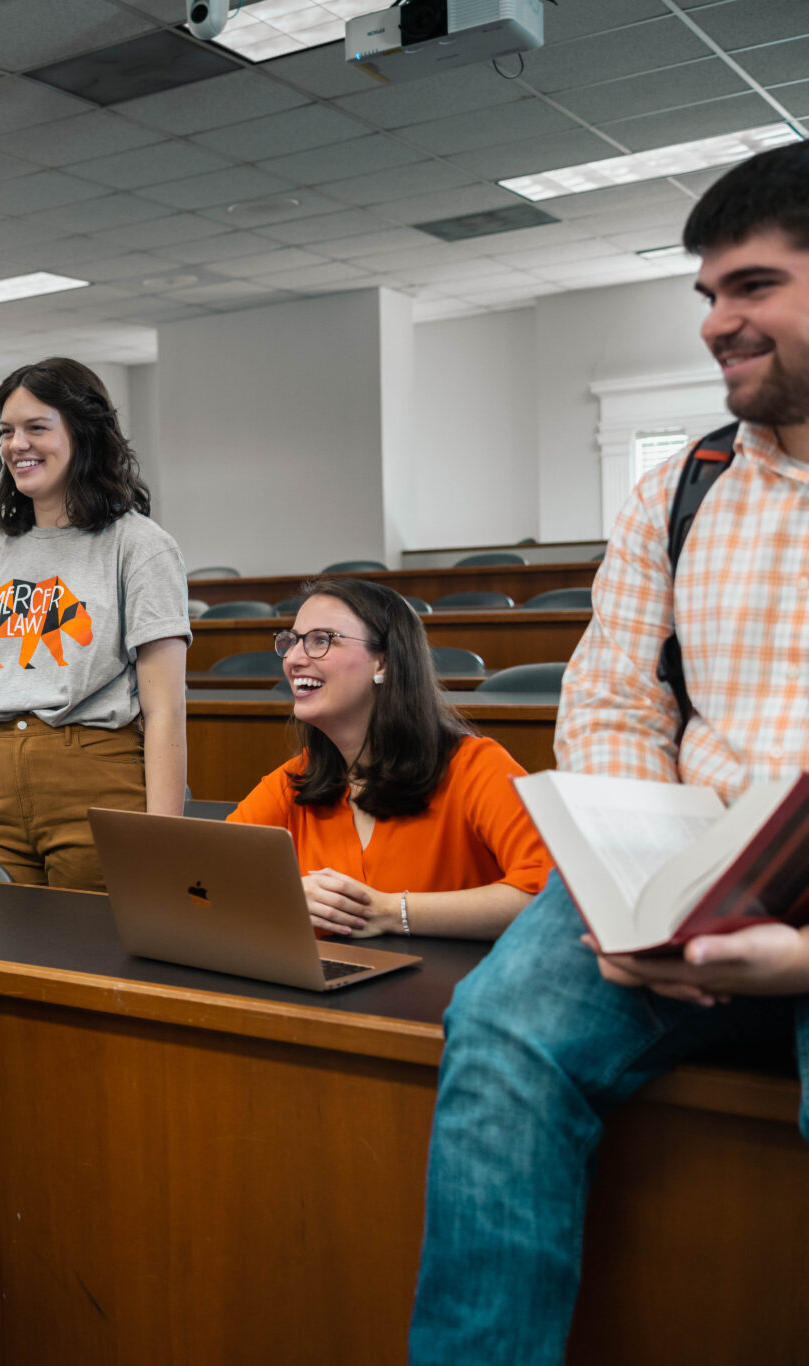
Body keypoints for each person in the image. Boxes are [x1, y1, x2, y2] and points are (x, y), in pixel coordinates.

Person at [408, 143, 809, 1363]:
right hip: (685, 866)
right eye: (703, 295)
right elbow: (610, 702)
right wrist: (652, 885)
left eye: (748, 287)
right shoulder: (675, 491)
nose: (714, 324)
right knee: (500, 1030)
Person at [0, 357, 189, 890]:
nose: (17, 444)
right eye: (7, 432)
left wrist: (165, 841)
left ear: (84, 435)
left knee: (93, 957)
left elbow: (165, 710)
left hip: (97, 782)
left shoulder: (139, 545)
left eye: (37, 427)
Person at [227, 578, 551, 939]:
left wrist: (391, 912)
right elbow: (208, 875)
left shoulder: (477, 767)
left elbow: (550, 895)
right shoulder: (292, 782)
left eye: (321, 640)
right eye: (291, 641)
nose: (294, 658)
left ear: (384, 661)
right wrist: (283, 895)